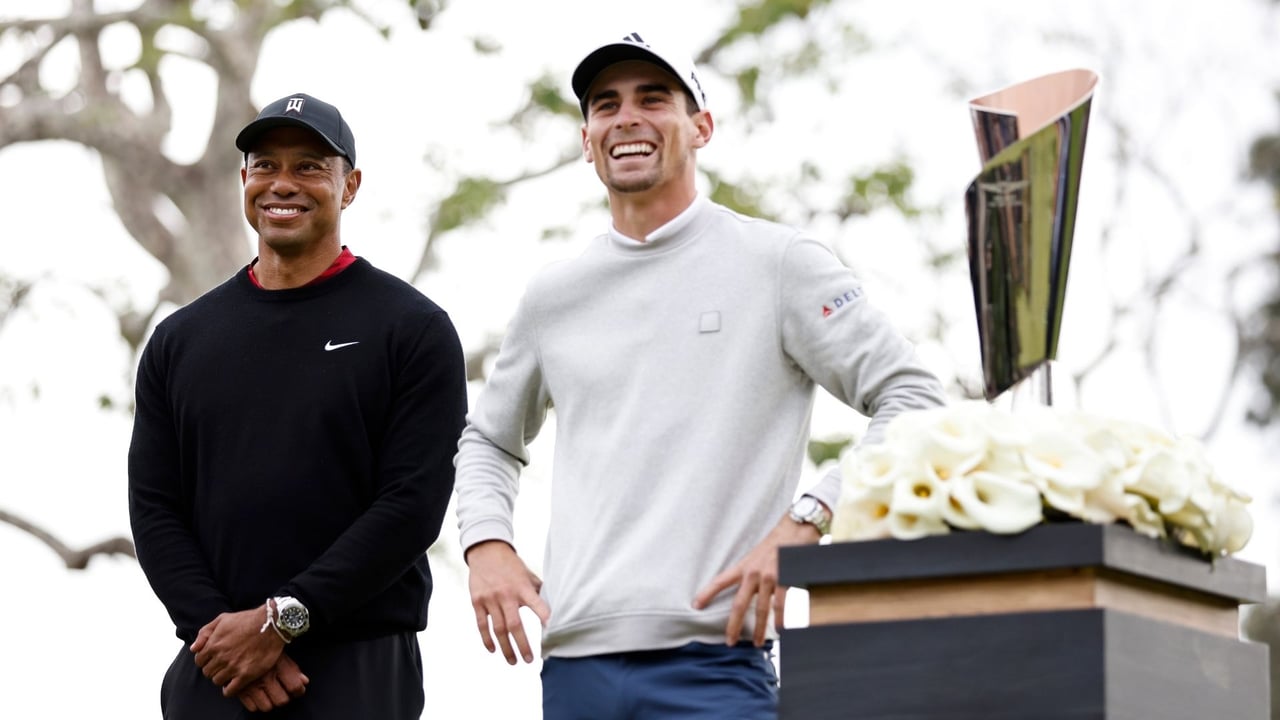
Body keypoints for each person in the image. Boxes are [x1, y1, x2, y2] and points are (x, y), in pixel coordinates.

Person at [453, 32, 949, 719]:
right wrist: (486, 546)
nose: (626, 117)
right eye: (605, 105)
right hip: (571, 673)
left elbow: (916, 398)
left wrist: (807, 520)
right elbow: (488, 442)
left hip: (716, 667)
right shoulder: (554, 295)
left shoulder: (779, 263)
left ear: (701, 127)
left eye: (653, 98)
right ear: (586, 138)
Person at [127, 92, 467, 718]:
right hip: (217, 667)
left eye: (310, 166)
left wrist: (282, 621)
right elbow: (154, 508)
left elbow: (413, 505)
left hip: (355, 666)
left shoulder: (411, 328)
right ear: (243, 180)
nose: (283, 183)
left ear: (351, 185)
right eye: (265, 165)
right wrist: (222, 636)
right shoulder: (181, 339)